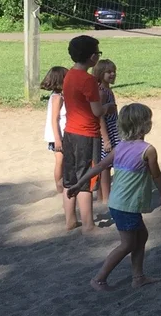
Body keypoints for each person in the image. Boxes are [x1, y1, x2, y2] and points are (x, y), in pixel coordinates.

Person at [67, 103, 161, 291]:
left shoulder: (119, 147)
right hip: (126, 206)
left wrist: (80, 183)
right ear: (145, 125)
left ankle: (138, 277)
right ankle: (99, 278)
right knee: (128, 243)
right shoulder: (148, 150)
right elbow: (156, 176)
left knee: (142, 235)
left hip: (119, 203)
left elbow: (98, 167)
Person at [61, 35, 105, 232]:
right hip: (87, 134)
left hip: (69, 132)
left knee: (69, 178)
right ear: (92, 56)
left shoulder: (69, 74)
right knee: (86, 179)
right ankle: (88, 224)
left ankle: (70, 220)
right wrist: (109, 107)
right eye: (98, 52)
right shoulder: (88, 80)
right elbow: (97, 111)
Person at [93, 59, 119, 205]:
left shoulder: (107, 90)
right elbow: (100, 117)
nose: (113, 74)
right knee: (106, 165)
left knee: (107, 164)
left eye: (114, 71)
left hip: (113, 129)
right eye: (108, 72)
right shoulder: (102, 92)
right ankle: (105, 197)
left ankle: (102, 195)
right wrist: (106, 139)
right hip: (107, 132)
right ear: (100, 73)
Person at [40, 66, 68, 193]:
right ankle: (59, 189)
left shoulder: (60, 96)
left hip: (63, 134)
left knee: (64, 161)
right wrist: (58, 139)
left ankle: (64, 185)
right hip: (58, 136)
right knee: (60, 161)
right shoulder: (57, 98)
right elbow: (54, 119)